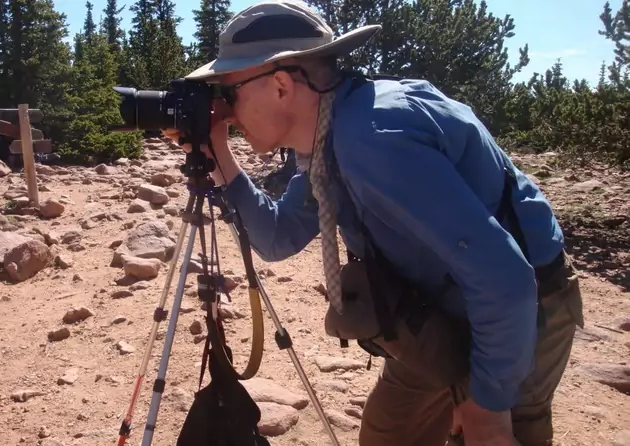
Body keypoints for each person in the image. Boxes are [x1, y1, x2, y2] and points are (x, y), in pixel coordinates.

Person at [163, 1, 585, 445]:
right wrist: (216, 153)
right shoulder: (328, 139)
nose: (225, 113)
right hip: (433, 306)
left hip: (517, 313)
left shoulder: (372, 137)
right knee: (390, 434)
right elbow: (276, 236)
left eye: (228, 94)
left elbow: (506, 279)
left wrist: (487, 407)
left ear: (282, 85)